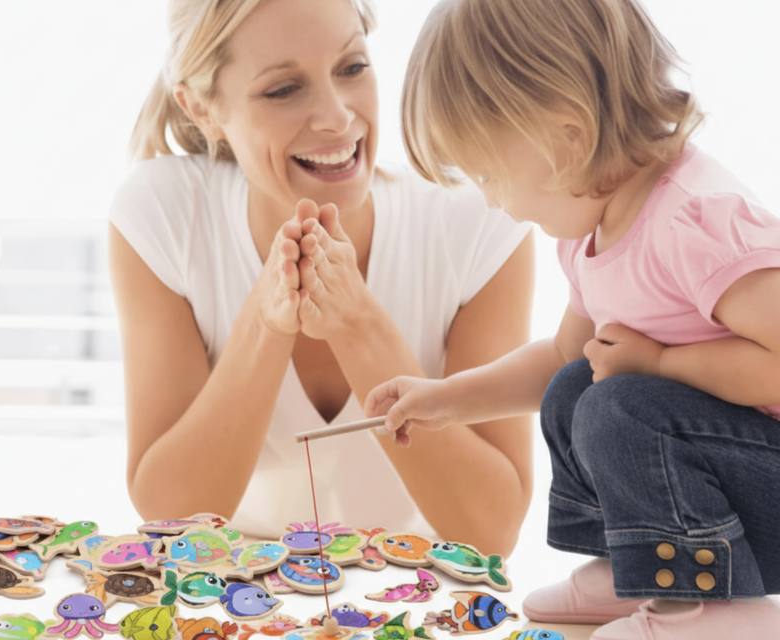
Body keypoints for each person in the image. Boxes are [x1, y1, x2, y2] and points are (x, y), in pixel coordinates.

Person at [364, 0, 780, 637]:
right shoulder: (591, 231)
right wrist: (449, 399)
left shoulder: (694, 221)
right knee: (577, 384)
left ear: (568, 138)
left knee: (618, 405)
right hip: (728, 483)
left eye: (489, 173)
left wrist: (660, 363)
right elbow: (564, 354)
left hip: (764, 491)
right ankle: (636, 565)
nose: (492, 201)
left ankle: (718, 607)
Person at [107, 0, 536, 554]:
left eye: (352, 67)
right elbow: (172, 517)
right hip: (233, 586)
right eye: (283, 89)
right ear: (202, 109)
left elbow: (491, 531)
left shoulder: (479, 218)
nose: (336, 116)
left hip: (419, 588)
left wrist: (359, 326)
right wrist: (266, 324)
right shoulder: (163, 214)